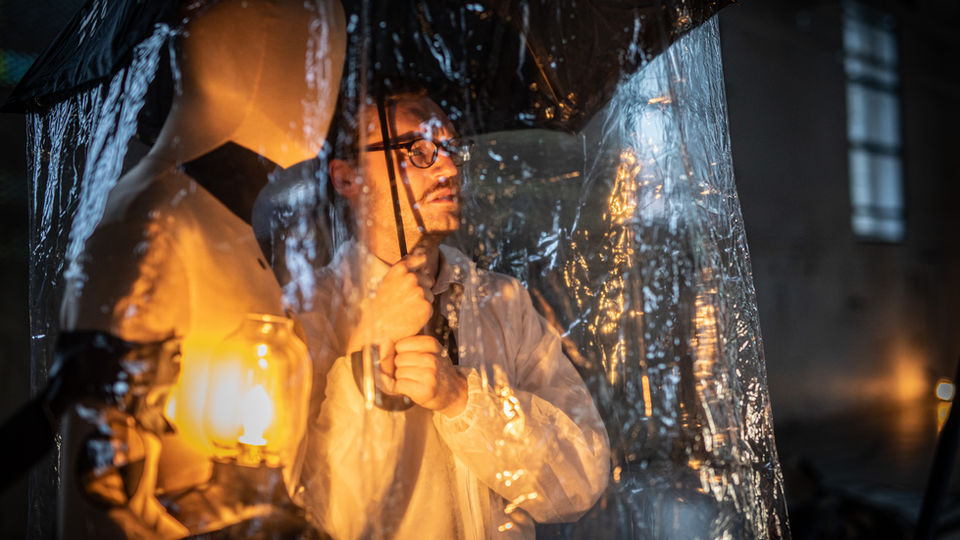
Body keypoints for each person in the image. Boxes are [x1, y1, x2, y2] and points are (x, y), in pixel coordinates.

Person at [56, 0, 345, 537]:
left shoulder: (220, 224)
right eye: (311, 49)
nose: (324, 79)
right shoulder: (154, 225)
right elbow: (104, 490)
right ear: (236, 55)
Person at [296, 88, 610, 539]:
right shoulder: (309, 311)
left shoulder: (503, 302)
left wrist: (462, 399)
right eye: (418, 151)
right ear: (347, 179)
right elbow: (329, 521)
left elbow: (580, 481)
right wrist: (370, 347)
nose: (448, 167)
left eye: (450, 148)